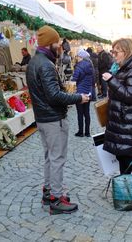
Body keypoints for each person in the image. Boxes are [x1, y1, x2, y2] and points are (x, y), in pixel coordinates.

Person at [26, 25, 90, 214]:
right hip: (53, 119)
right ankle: (55, 197)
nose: (60, 46)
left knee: (50, 157)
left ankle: (48, 192)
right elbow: (54, 95)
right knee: (57, 158)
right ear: (50, 44)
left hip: (43, 118)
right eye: (57, 42)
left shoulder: (34, 62)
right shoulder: (45, 64)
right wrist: (79, 97)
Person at [102, 38, 132, 175]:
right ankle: (126, 188)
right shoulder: (121, 67)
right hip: (122, 120)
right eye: (112, 52)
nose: (113, 55)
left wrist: (111, 80)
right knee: (123, 157)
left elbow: (130, 95)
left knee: (130, 158)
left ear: (126, 52)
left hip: (130, 121)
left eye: (116, 52)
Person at [71, 49, 94, 137]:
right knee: (87, 113)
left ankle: (81, 132)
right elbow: (92, 80)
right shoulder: (90, 65)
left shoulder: (79, 66)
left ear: (81, 57)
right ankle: (87, 132)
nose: (76, 58)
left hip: (80, 93)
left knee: (80, 113)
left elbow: (74, 79)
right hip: (88, 92)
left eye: (77, 56)